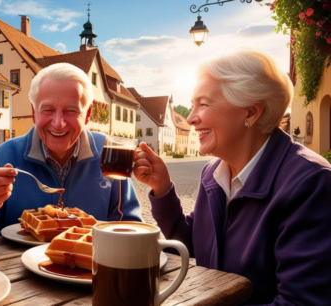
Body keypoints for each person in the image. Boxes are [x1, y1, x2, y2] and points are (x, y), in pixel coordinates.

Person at [134, 49, 331, 305]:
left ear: (250, 112)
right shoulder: (213, 173)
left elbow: (301, 301)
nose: (192, 118)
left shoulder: (310, 183)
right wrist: (162, 189)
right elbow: (191, 245)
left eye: (203, 104)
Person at [0, 63, 142, 242]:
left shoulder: (110, 155)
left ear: (88, 114)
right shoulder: (6, 155)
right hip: (16, 276)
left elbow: (132, 233)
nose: (58, 123)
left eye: (71, 111)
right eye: (47, 110)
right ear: (34, 112)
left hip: (90, 276)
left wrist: (161, 191)